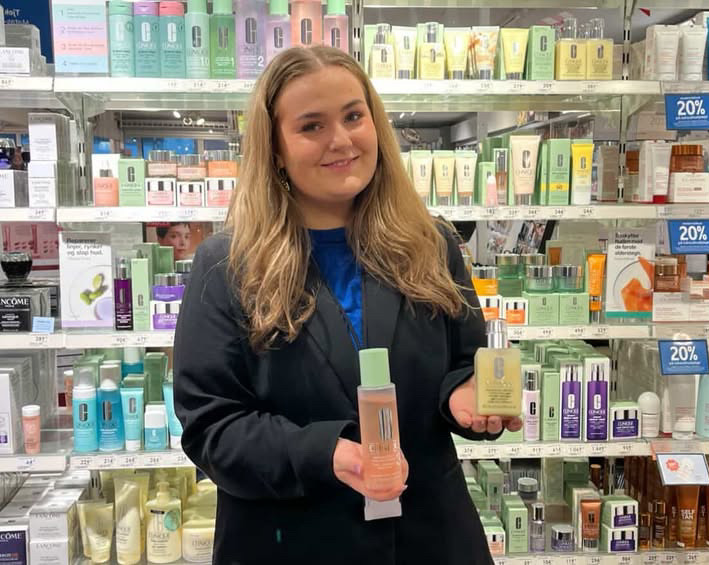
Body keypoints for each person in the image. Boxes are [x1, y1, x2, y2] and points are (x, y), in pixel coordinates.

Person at [173, 45, 522, 565]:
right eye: (311, 126)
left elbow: (462, 363)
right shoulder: (227, 266)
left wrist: (466, 396)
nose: (341, 140)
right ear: (275, 149)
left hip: (428, 538)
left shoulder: (430, 245)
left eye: (354, 116)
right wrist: (327, 454)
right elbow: (212, 427)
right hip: (291, 541)